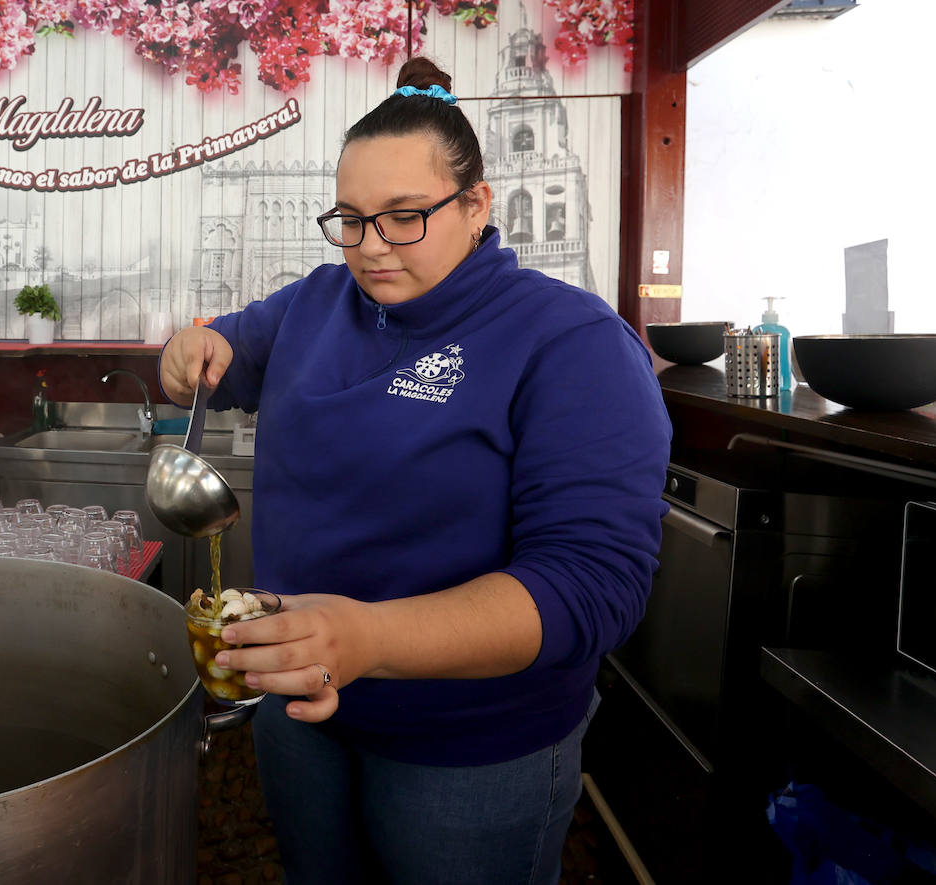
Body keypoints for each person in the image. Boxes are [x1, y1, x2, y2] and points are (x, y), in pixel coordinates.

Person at [160, 58, 671, 884]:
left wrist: (368, 636)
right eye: (351, 220)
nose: (371, 248)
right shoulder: (316, 303)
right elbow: (226, 352)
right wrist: (192, 351)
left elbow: (591, 586)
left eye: (404, 217)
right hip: (301, 706)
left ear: (476, 206)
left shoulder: (568, 342)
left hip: (471, 744)